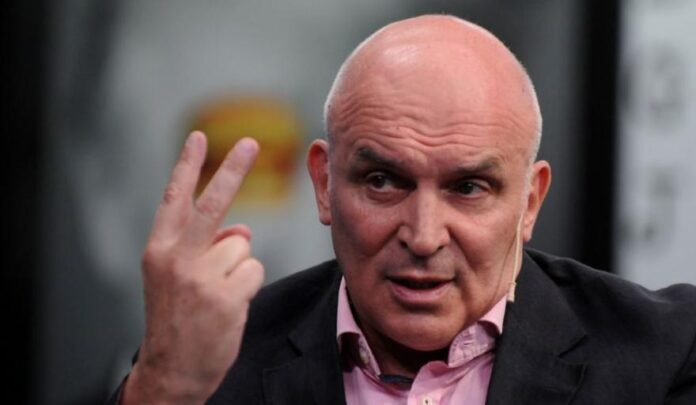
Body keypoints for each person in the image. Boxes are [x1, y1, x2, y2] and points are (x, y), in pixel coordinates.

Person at [110, 15, 696, 405]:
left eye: (468, 188)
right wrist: (163, 390)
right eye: (384, 181)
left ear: (529, 202)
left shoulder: (665, 353)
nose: (423, 236)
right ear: (324, 184)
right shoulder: (212, 364)